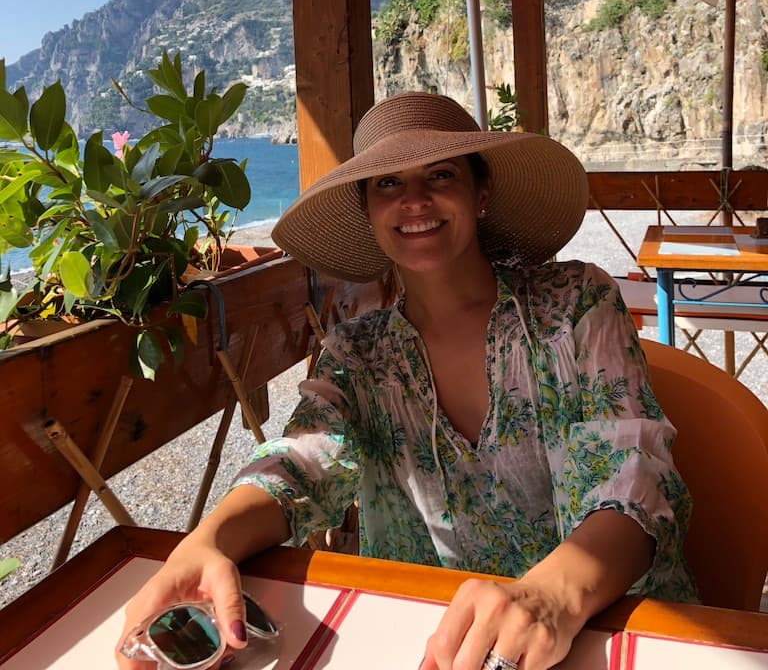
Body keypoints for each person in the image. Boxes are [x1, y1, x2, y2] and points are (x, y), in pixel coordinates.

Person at [117, 92, 696, 670]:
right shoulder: (357, 353)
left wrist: (549, 596)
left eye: (440, 175)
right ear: (368, 212)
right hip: (445, 645)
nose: (414, 200)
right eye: (387, 185)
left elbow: (633, 473)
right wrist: (209, 539)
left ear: (481, 191)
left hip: (614, 630)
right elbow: (301, 461)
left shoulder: (574, 304)